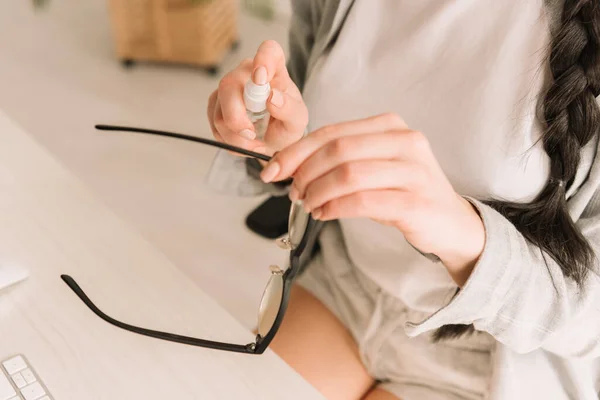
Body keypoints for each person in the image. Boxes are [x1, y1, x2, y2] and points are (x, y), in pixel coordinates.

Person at [206, 1, 600, 399]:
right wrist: (274, 141)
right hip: (346, 286)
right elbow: (303, 121)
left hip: (492, 358)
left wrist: (465, 237)